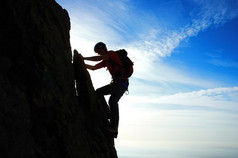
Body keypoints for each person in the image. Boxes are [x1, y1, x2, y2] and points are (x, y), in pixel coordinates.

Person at [81, 42, 129, 138]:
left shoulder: (111, 54)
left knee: (113, 100)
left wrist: (83, 58)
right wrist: (80, 63)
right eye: (98, 52)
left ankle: (114, 128)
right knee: (99, 92)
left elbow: (98, 59)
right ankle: (107, 113)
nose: (99, 54)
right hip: (117, 83)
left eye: (100, 51)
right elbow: (93, 68)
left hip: (122, 83)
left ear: (104, 48)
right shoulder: (106, 61)